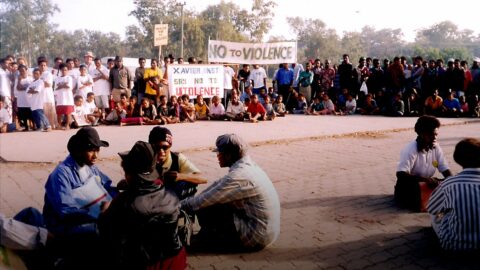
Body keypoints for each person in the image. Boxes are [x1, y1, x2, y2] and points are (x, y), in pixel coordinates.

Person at [182, 134, 280, 252]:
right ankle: (210, 235)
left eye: (219, 153)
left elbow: (202, 201)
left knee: (208, 207)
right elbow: (217, 186)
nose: (217, 156)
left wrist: (175, 207)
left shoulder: (238, 177)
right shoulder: (247, 166)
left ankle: (209, 240)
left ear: (228, 155)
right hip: (268, 232)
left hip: (256, 238)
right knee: (214, 201)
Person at [99, 141, 187, 269]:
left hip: (144, 263)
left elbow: (106, 230)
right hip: (175, 258)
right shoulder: (171, 195)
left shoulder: (124, 202)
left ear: (128, 174)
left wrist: (105, 211)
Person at [43, 127, 116, 269]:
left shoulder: (90, 167)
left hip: (93, 216)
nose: (95, 155)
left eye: (97, 150)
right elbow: (66, 211)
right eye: (91, 150)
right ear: (78, 150)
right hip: (62, 226)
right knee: (103, 234)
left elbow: (107, 187)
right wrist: (98, 216)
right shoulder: (61, 174)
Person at [427, 138, 480, 251]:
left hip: (454, 245)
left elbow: (432, 208)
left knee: (437, 215)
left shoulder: (449, 183)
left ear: (458, 159)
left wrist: (444, 212)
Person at [395, 115, 452, 212]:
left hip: (426, 184)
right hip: (409, 187)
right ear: (421, 134)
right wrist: (426, 180)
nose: (435, 137)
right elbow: (401, 174)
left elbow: (444, 167)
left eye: (436, 134)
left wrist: (451, 181)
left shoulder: (436, 147)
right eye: (431, 135)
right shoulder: (410, 149)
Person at [148, 127, 207, 200]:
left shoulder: (176, 158)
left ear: (170, 146)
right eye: (157, 147)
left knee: (190, 182)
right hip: (150, 196)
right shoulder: (143, 157)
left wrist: (180, 176)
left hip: (171, 195)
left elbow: (203, 179)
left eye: (165, 147)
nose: (161, 151)